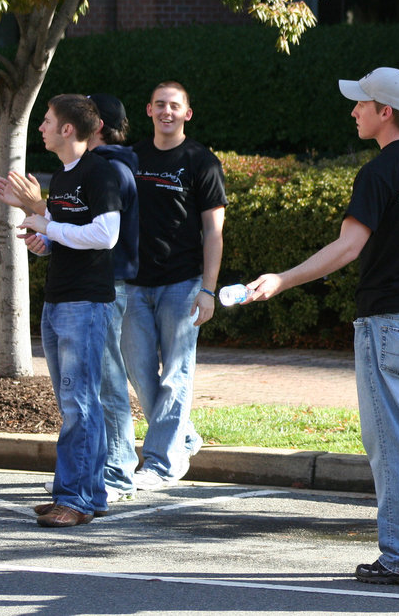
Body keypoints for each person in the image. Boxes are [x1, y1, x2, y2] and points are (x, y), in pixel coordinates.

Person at [241, 67, 399, 587]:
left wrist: (282, 278)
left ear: (385, 112)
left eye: (361, 104)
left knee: (392, 441)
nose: (353, 111)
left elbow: (348, 248)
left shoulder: (378, 173)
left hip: (388, 322)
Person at [0, 95, 141, 503]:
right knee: (73, 403)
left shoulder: (102, 173)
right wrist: (41, 240)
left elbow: (105, 236)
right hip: (57, 303)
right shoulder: (61, 178)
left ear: (67, 129)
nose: (40, 127)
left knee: (82, 403)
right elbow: (67, 236)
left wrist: (49, 225)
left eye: (46, 120)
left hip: (86, 304)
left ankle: (74, 498)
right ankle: (89, 494)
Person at [121, 81, 227, 491]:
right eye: (160, 105)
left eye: (175, 106)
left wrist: (209, 289)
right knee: (141, 372)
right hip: (133, 283)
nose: (167, 111)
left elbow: (213, 231)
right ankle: (182, 435)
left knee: (176, 374)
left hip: (182, 284)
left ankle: (163, 462)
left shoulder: (201, 161)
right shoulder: (131, 158)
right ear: (148, 110)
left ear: (188, 113)